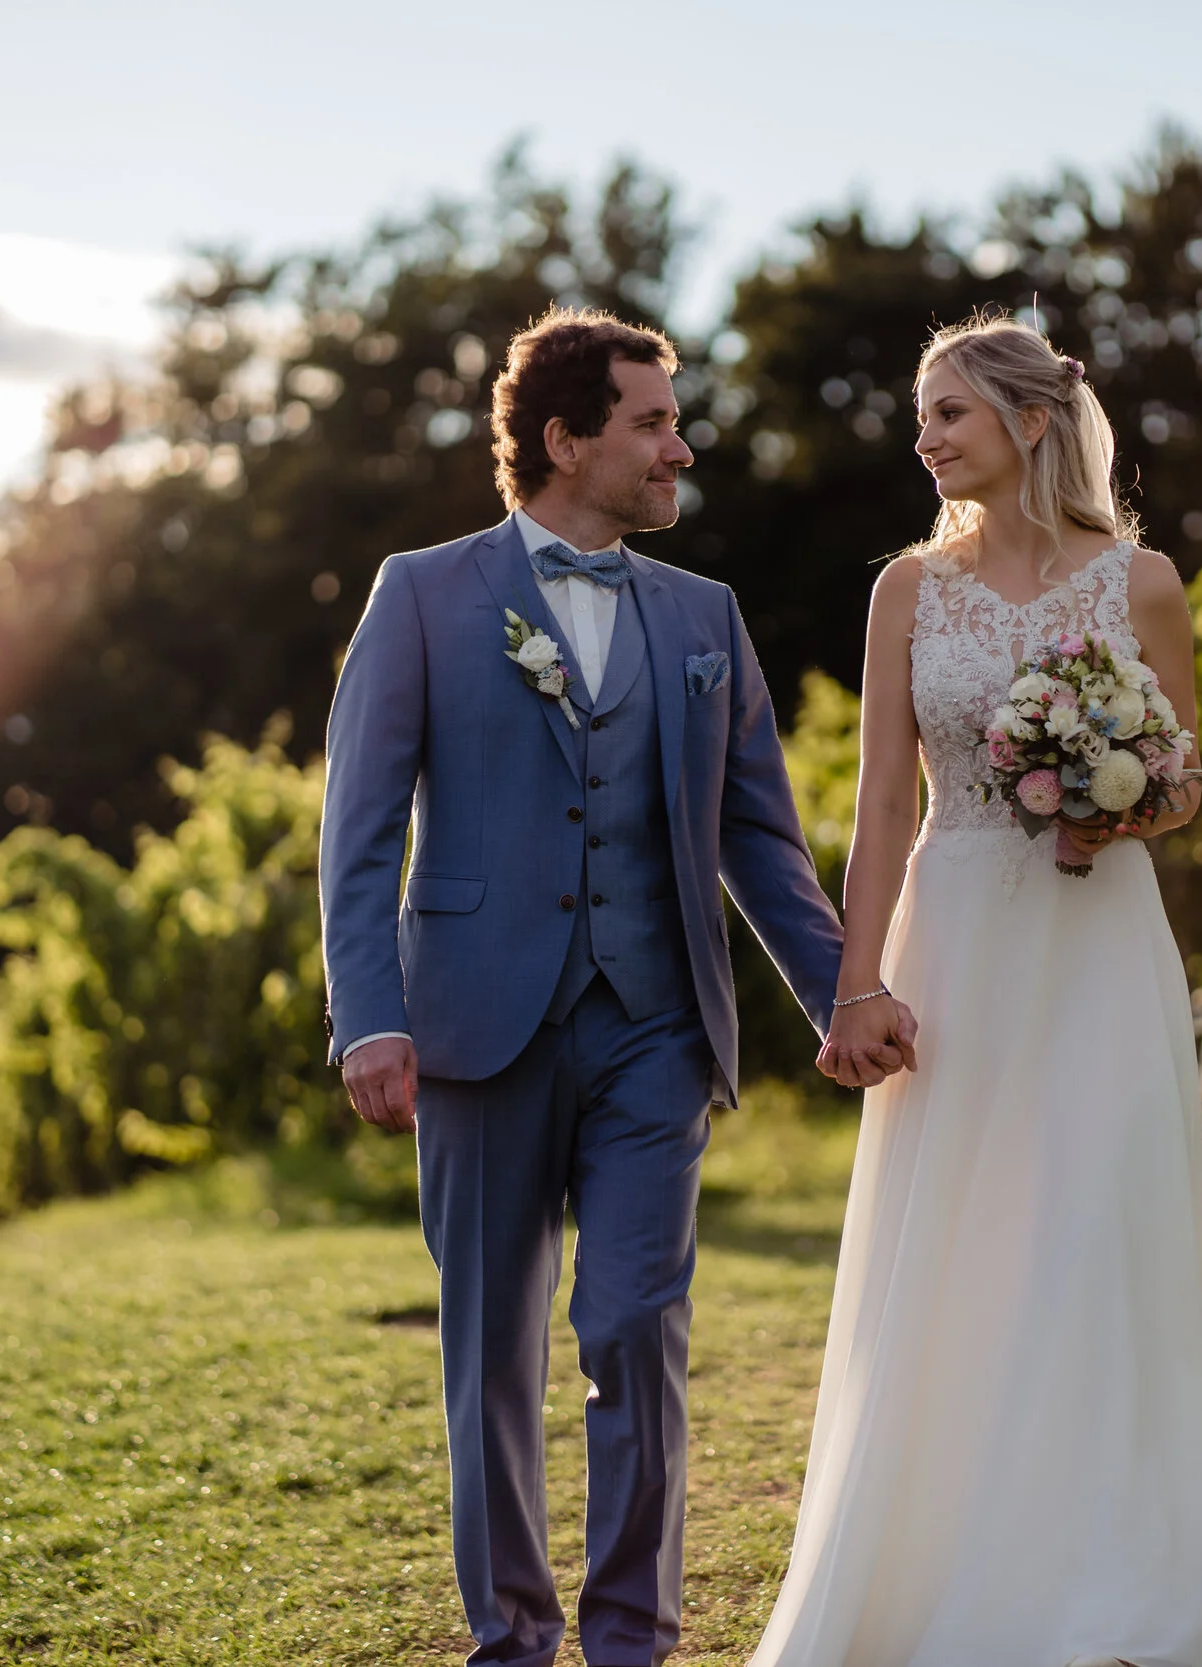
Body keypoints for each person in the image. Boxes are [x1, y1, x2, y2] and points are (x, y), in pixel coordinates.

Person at [316, 306, 920, 1667]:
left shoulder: (704, 615)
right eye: (651, 424)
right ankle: (513, 1638)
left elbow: (759, 836)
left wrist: (841, 993)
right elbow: (356, 832)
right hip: (474, 1029)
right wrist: (373, 1015)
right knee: (490, 1351)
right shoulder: (423, 594)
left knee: (637, 1325)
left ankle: (634, 1639)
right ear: (565, 439)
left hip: (657, 1026)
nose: (679, 450)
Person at [751, 314, 1202, 1667]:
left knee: (1096, 1217)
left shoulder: (1143, 582)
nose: (924, 437)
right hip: (957, 935)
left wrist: (1115, 799)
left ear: (1030, 422)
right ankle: (950, 1536)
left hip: (1098, 942)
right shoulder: (907, 590)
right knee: (962, 1230)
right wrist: (854, 984)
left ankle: (1114, 1547)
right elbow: (884, 801)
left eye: (949, 412)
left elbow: (1186, 780)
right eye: (921, 415)